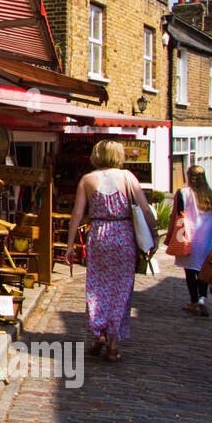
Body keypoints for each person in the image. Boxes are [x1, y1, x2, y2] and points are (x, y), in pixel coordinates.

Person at [64, 140, 159, 362]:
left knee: (97, 286)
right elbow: (145, 208)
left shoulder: (87, 180)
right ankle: (113, 345)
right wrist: (153, 235)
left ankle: (100, 333)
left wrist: (70, 245)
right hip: (123, 233)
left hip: (99, 234)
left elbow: (77, 214)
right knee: (121, 289)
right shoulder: (128, 177)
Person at [174, 165, 212, 316]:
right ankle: (202, 298)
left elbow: (177, 215)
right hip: (205, 240)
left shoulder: (183, 193)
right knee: (203, 271)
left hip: (188, 238)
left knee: (190, 272)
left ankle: (194, 301)